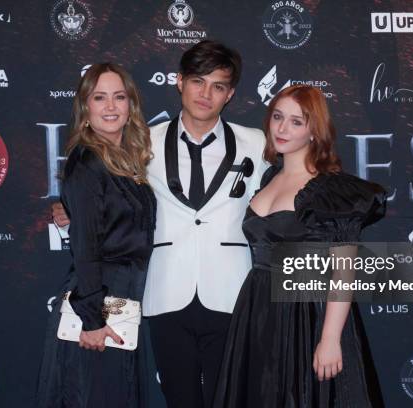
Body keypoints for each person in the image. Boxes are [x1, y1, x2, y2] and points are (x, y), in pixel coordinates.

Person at [52, 41, 267, 408]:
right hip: (164, 290)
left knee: (231, 398)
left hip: (233, 291)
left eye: (218, 86)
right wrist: (71, 210)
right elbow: (109, 194)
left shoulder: (258, 143)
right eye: (198, 81)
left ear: (230, 95)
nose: (206, 94)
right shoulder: (142, 143)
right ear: (179, 82)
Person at [213, 85, 387, 408]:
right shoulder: (268, 179)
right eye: (278, 117)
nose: (281, 128)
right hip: (259, 312)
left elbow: (344, 270)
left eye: (296, 121)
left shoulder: (331, 190)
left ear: (314, 130)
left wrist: (331, 338)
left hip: (308, 314)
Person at [36, 63, 156, 408]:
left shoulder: (123, 159)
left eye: (119, 97)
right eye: (99, 97)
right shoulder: (88, 162)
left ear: (130, 105)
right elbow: (86, 247)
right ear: (85, 108)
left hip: (121, 298)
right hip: (100, 300)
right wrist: (91, 319)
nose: (110, 106)